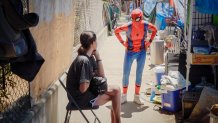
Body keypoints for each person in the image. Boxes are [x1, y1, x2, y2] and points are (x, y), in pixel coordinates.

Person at [66, 31, 121, 123]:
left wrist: (98, 57)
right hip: (80, 99)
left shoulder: (90, 57)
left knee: (116, 90)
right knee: (115, 93)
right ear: (92, 43)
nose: (97, 43)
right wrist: (91, 81)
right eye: (96, 41)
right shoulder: (84, 61)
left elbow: (102, 78)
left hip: (86, 94)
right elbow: (83, 88)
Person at [114, 8, 157, 105]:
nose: (136, 21)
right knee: (126, 74)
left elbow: (155, 29)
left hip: (141, 51)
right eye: (135, 19)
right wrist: (123, 43)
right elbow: (116, 31)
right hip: (131, 52)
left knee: (138, 74)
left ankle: (136, 96)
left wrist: (149, 42)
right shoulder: (130, 26)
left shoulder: (143, 25)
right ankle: (124, 96)